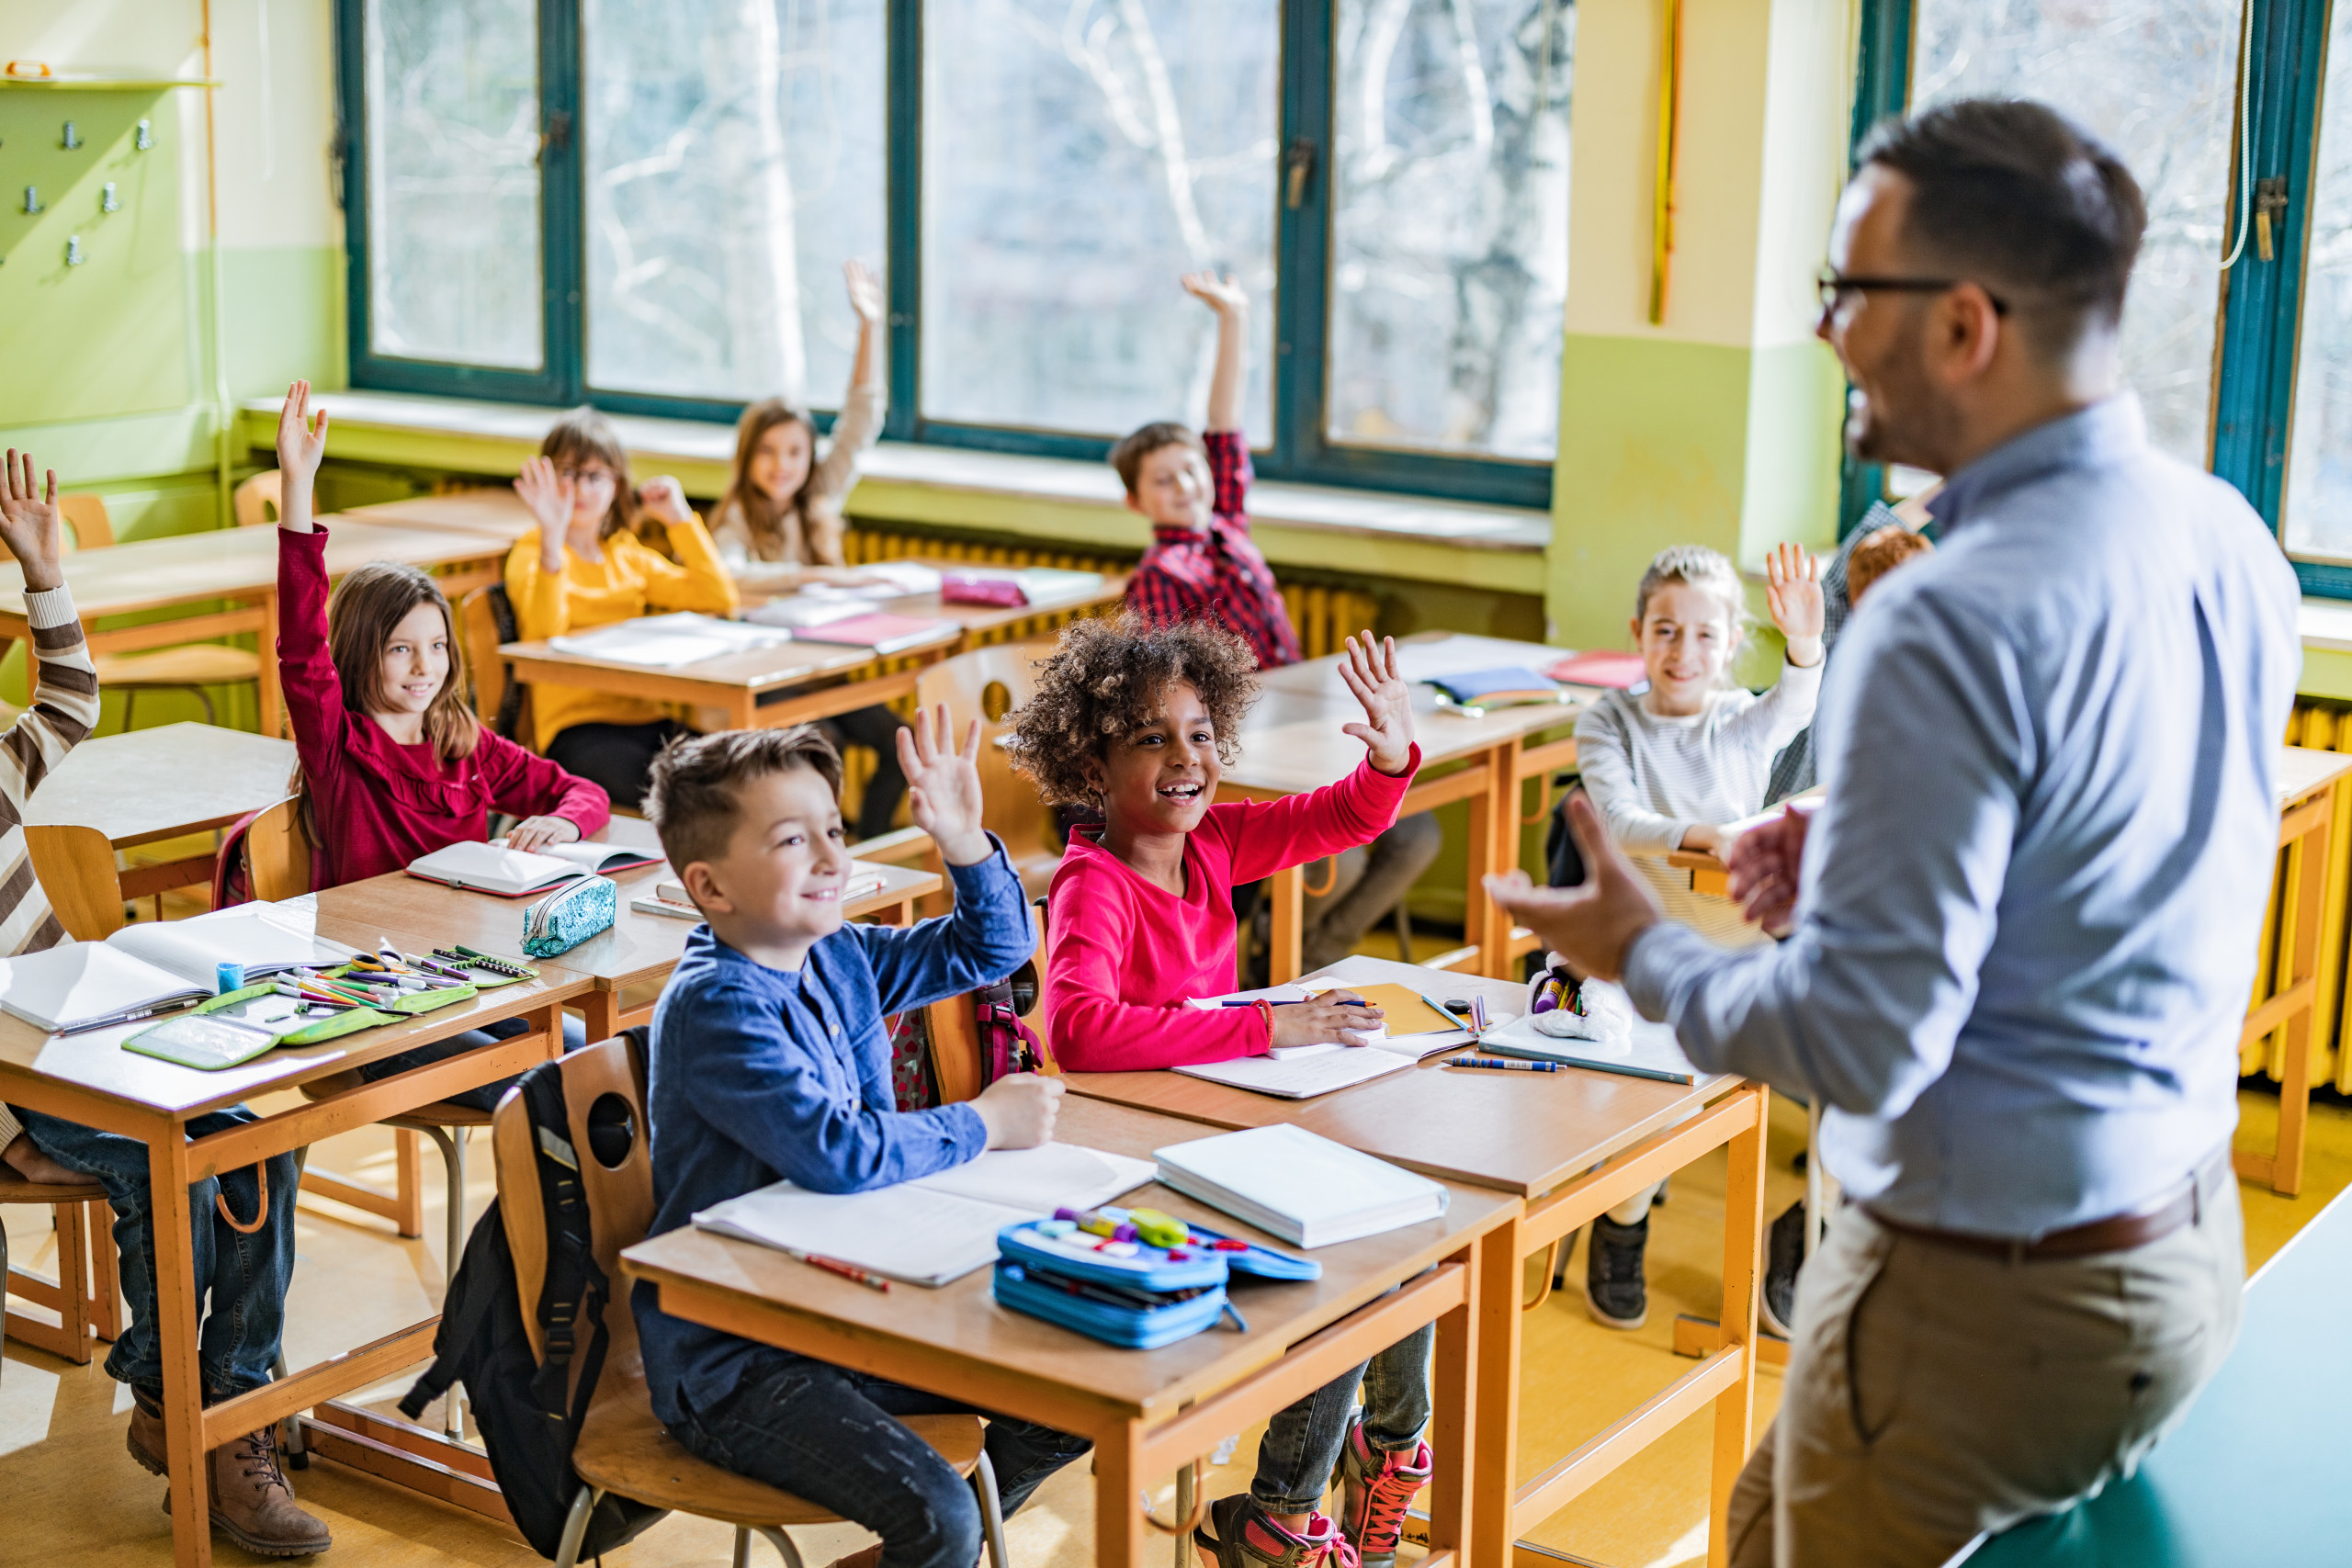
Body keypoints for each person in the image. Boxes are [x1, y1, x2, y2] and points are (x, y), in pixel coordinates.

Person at [1487, 98, 2300, 1566]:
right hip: (2173, 1241)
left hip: (1986, 1296)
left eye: (1849, 289)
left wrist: (1644, 949)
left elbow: (1861, 1040)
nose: (1826, 329)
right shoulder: (2228, 533)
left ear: (1966, 323)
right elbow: (2108, 825)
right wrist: (1854, 824)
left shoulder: (1951, 609)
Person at [1012, 615, 1434, 1568]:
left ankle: (1389, 1450)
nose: (1186, 757)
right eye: (1151, 737)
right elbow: (1080, 1030)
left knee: (1404, 1235)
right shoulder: (1094, 884)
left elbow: (1347, 818)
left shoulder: (1214, 843)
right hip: (1137, 1164)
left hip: (1217, 1130)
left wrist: (1389, 754)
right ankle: (1282, 1512)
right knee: (1348, 1258)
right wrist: (1267, 1025)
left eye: (1200, 733)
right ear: (1090, 765)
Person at [632, 716, 1090, 1568]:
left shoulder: (836, 952)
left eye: (834, 831)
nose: (831, 859)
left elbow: (993, 945)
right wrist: (986, 1122)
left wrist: (962, 840)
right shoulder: (717, 1006)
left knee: (1072, 1395)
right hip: (742, 1360)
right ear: (710, 886)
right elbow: (838, 1153)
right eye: (792, 840)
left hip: (858, 1309)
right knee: (943, 1517)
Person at [0, 450, 327, 1555]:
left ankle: (205, 1400)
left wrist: (46, 574)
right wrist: (2, 1135)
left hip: (93, 1024)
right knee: (172, 1162)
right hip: (27, 1076)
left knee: (260, 1140)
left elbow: (69, 704)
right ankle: (197, 1420)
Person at [273, 379, 597, 1107]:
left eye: (438, 647)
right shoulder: (339, 743)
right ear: (360, 651)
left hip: (469, 973)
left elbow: (581, 792)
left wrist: (564, 822)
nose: (425, 667)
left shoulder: (463, 744)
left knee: (605, 1061)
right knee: (548, 1092)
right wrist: (298, 485)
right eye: (400, 649)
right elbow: (301, 643)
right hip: (374, 995)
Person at [1118, 271, 1441, 972]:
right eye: (1164, 480)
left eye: (1192, 471)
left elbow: (1225, 427)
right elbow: (1173, 695)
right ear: (1136, 502)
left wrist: (1233, 319)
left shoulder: (1229, 525)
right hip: (1250, 746)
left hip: (1308, 719)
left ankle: (1317, 949)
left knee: (1418, 834)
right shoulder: (1159, 576)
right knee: (1339, 859)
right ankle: (1275, 961)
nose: (1186, 486)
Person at [1566, 539, 1822, 1331]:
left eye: (1706, 634)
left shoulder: (1740, 720)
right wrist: (1707, 836)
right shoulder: (1608, 719)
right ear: (1637, 632)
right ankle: (1622, 1226)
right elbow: (1618, 819)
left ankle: (1796, 1252)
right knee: (1659, 1118)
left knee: (1854, 1081)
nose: (1684, 651)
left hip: (1742, 959)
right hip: (1643, 956)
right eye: (1666, 630)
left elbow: (1796, 704)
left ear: (1734, 642)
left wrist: (1806, 642)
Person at [709, 261, 907, 839]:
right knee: (827, 750)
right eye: (768, 452)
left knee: (901, 745)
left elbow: (862, 419)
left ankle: (869, 846)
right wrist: (816, 578)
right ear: (747, 458)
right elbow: (729, 576)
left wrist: (869, 326)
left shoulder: (819, 496)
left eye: (794, 452)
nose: (782, 466)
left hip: (828, 671)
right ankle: (826, 852)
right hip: (774, 680)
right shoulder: (736, 517)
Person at [504, 406, 739, 807]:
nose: (580, 488)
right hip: (577, 726)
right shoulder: (532, 553)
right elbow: (544, 633)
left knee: (735, 776)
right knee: (679, 798)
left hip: (646, 718)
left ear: (616, 486)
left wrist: (679, 519)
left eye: (595, 476)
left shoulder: (625, 553)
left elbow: (719, 597)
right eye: (567, 472)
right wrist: (551, 542)